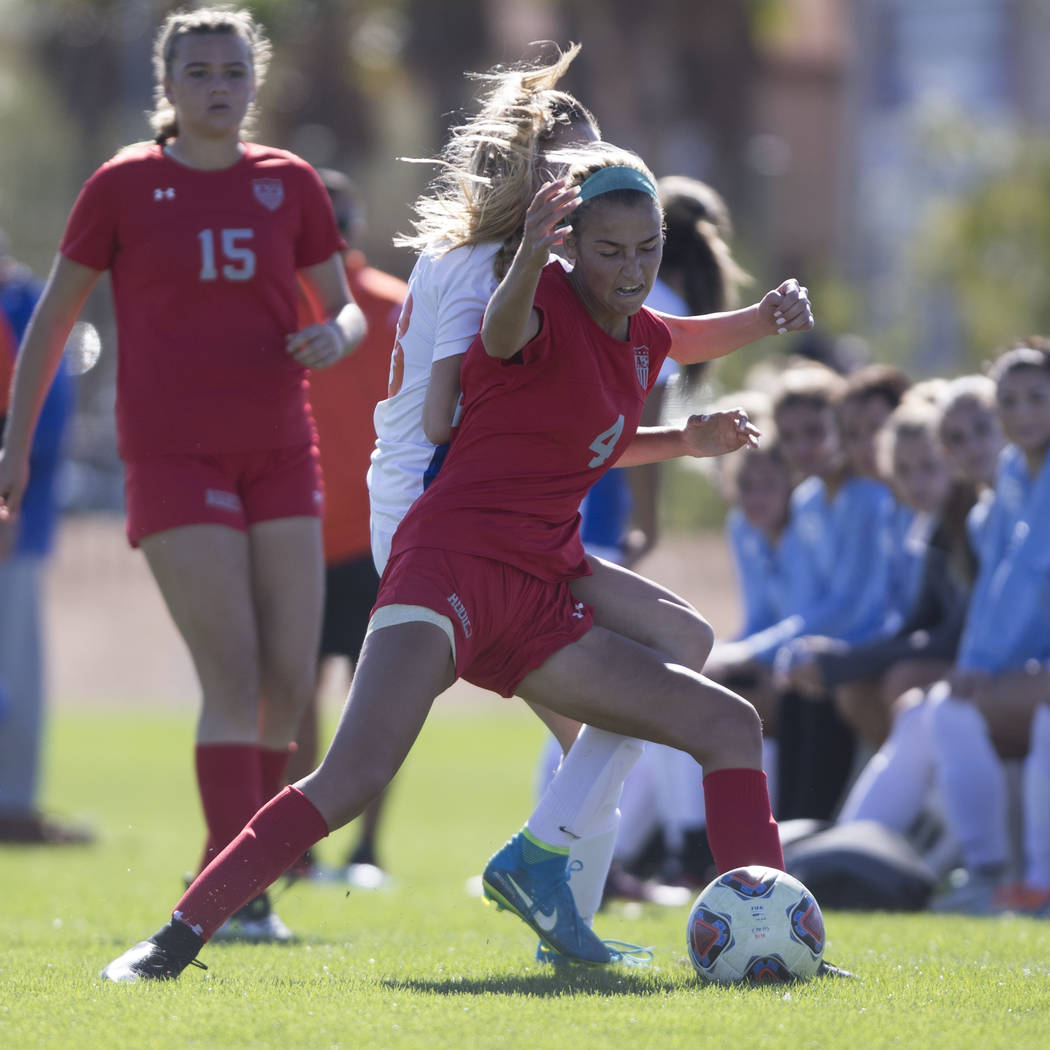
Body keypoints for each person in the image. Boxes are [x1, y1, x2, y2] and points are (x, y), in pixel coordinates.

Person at [99, 147, 815, 983]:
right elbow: (507, 334)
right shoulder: (533, 297)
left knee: (728, 719)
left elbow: (640, 376)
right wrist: (524, 259)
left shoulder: (642, 336)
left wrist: (758, 331)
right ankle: (176, 938)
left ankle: (776, 942)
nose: (630, 268)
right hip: (450, 563)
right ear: (570, 244)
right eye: (609, 249)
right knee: (356, 775)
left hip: (540, 587)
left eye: (647, 248)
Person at [365, 42, 814, 953]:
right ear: (526, 176)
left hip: (499, 516)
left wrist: (693, 407)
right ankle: (545, 878)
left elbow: (617, 385)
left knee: (627, 713)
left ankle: (563, 910)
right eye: (569, 165)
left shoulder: (536, 273)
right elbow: (457, 425)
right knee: (619, 718)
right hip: (439, 519)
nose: (590, 178)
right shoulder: (489, 272)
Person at [0, 8, 364, 936]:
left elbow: (346, 309)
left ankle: (228, 873)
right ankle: (236, 894)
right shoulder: (124, 185)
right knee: (234, 670)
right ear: (169, 84)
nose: (216, 85)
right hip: (172, 456)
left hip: (283, 451)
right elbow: (51, 321)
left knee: (290, 680)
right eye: (197, 70)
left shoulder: (290, 185)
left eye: (232, 71)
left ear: (255, 81)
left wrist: (335, 333)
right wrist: (16, 439)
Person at [286, 168, 407, 887]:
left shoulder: (387, 306)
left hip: (343, 534)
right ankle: (341, 849)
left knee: (336, 695)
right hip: (341, 534)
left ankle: (331, 850)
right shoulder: (390, 305)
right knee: (367, 698)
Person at [925, 341, 1050, 915]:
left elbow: (1028, 574)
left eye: (1036, 398)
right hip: (1030, 663)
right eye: (1009, 401)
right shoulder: (1011, 470)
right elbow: (996, 581)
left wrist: (983, 664)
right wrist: (974, 663)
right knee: (948, 710)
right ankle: (990, 872)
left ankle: (1039, 880)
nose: (1022, 412)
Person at [0, 232, 85, 844]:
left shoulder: (24, 305)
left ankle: (13, 805)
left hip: (13, 522)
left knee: (17, 667)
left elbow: (43, 420)